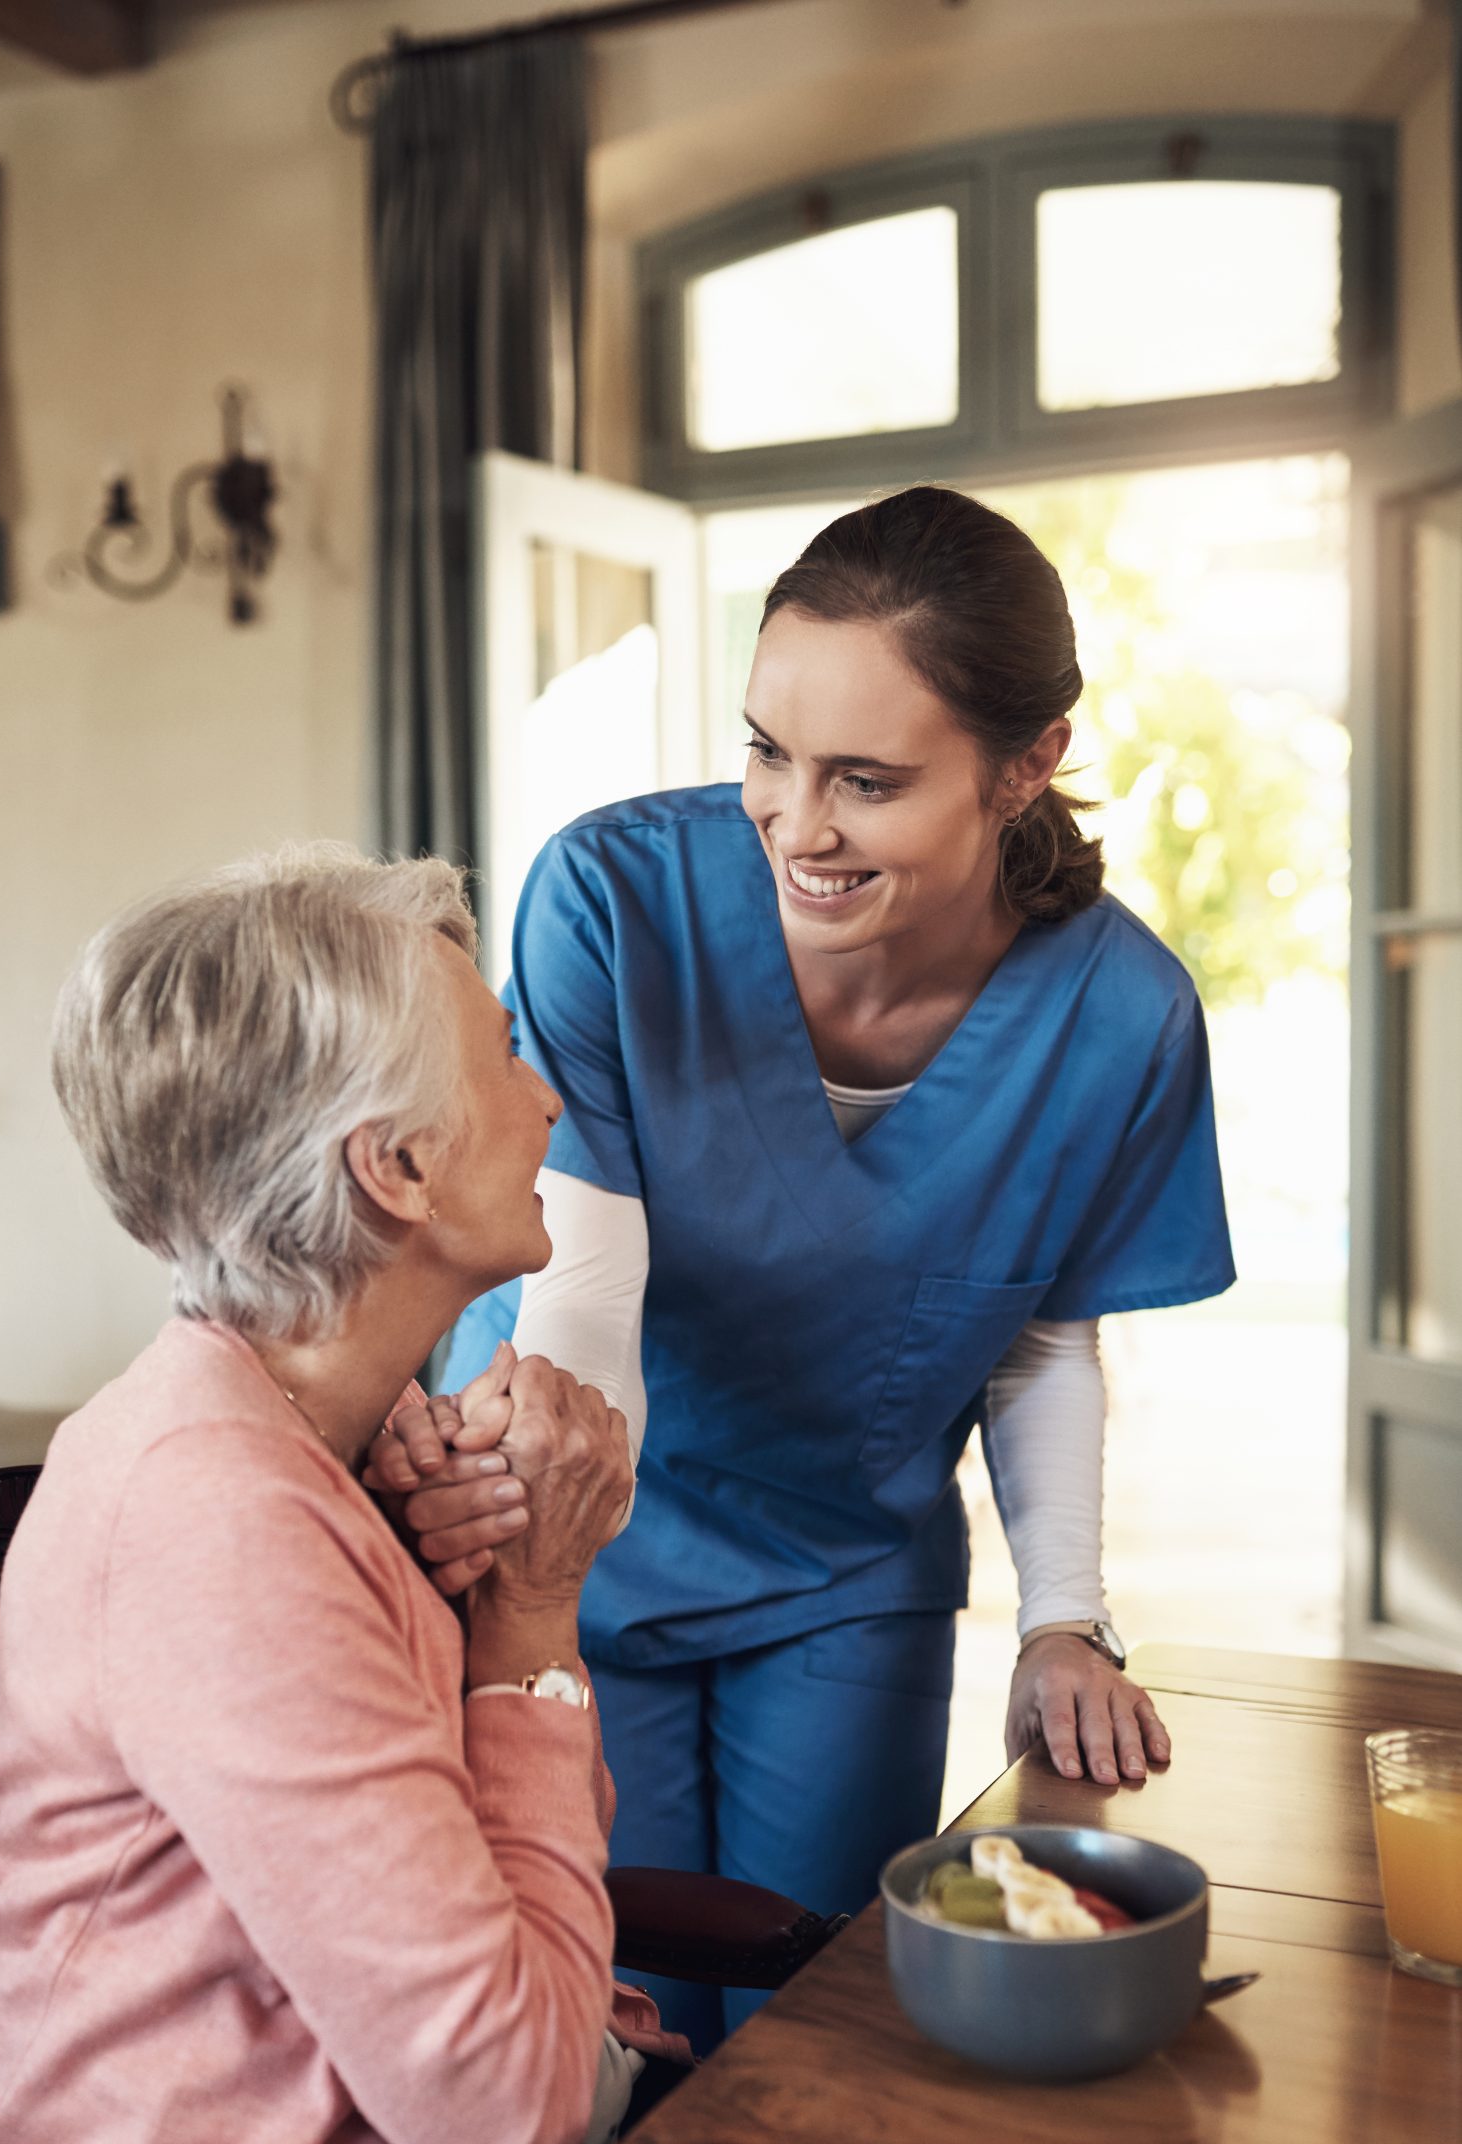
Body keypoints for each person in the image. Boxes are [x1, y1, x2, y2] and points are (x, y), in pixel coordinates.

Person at [375, 486, 1234, 2050]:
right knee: (586, 2015)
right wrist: (537, 1585)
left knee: (814, 2018)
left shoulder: (1121, 1018)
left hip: (842, 1574)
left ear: (1024, 762)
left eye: (867, 779)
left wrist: (1065, 1618)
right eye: (766, 750)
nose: (794, 821)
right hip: (555, 1523)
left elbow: (1036, 1340)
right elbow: (582, 1295)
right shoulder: (617, 901)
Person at [0, 846, 667, 2144]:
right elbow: (513, 2108)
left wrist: (461, 1585)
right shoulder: (220, 1514)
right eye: (499, 1060)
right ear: (392, 1169)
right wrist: (530, 1619)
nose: (546, 1098)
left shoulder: (314, 1438)